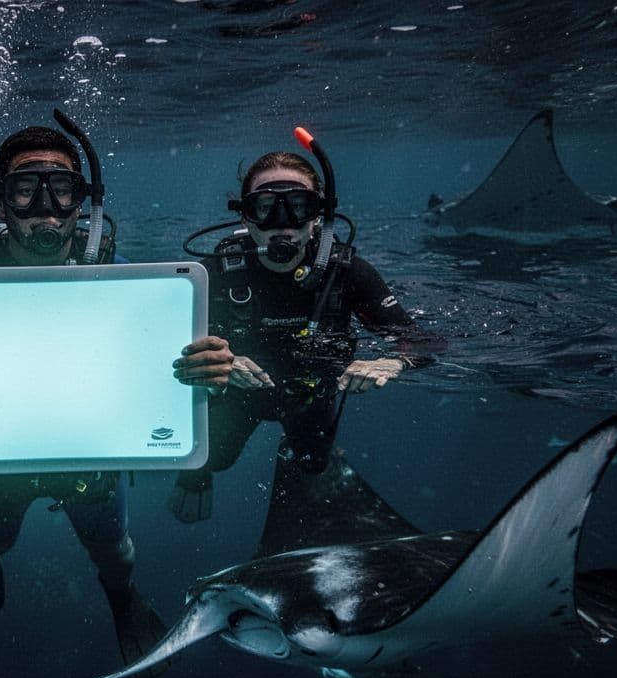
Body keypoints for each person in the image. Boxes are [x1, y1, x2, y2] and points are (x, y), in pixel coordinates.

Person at [0, 125, 232, 678]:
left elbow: (165, 378)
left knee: (115, 553)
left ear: (83, 201)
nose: (45, 208)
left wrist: (209, 377)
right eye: (26, 190)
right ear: (1, 203)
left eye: (61, 189)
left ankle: (123, 598)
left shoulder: (126, 281)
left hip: (90, 465)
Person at [168, 148, 442, 549]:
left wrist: (392, 362)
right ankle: (198, 474)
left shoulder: (347, 272)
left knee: (313, 463)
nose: (283, 224)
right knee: (215, 459)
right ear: (245, 217)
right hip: (236, 394)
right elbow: (162, 347)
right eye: (265, 207)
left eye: (298, 206)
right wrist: (213, 360)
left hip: (310, 391)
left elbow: (424, 341)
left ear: (319, 216)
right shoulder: (214, 275)